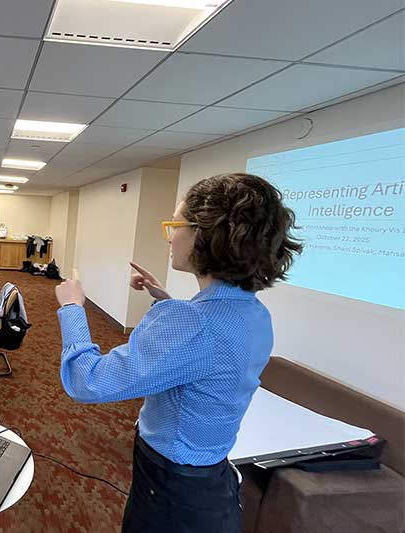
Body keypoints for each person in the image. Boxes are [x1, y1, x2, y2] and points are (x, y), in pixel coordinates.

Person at [54, 173, 302, 533]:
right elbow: (205, 351)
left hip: (171, 491)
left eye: (174, 225)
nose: (170, 238)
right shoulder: (255, 313)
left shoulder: (191, 322)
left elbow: (87, 381)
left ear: (205, 235)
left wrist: (72, 307)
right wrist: (165, 301)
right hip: (211, 485)